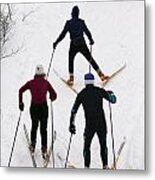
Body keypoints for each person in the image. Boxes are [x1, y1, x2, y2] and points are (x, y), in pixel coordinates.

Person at [69, 73, 116, 169]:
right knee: (103, 144)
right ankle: (105, 165)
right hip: (101, 123)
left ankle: (86, 167)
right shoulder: (99, 91)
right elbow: (113, 100)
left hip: (90, 124)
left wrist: (72, 124)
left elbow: (74, 110)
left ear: (85, 82)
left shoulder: (81, 94)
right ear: (93, 81)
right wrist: (110, 94)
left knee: (87, 146)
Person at [53, 6, 109, 86]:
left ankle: (71, 79)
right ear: (78, 14)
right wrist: (91, 40)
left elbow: (63, 34)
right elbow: (87, 31)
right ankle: (101, 75)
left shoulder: (68, 23)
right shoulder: (81, 22)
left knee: (71, 60)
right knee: (90, 59)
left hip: (73, 44)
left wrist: (56, 42)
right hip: (82, 43)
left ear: (72, 14)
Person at [19, 65, 57, 159]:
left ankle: (32, 145)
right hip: (43, 108)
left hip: (34, 108)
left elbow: (20, 90)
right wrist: (51, 97)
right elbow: (54, 95)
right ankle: (44, 150)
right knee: (43, 129)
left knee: (34, 126)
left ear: (35, 73)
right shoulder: (46, 83)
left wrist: (20, 103)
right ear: (43, 73)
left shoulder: (30, 83)